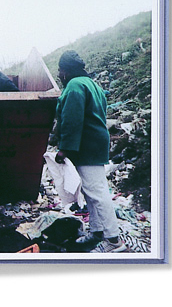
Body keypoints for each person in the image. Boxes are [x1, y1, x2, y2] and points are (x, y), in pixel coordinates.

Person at [54, 50, 126, 253]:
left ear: (66, 71)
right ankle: (96, 232)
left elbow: (72, 120)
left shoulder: (75, 86)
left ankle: (113, 240)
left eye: (60, 70)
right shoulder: (93, 84)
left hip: (86, 145)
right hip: (94, 144)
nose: (59, 74)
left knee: (97, 192)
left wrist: (64, 149)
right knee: (91, 191)